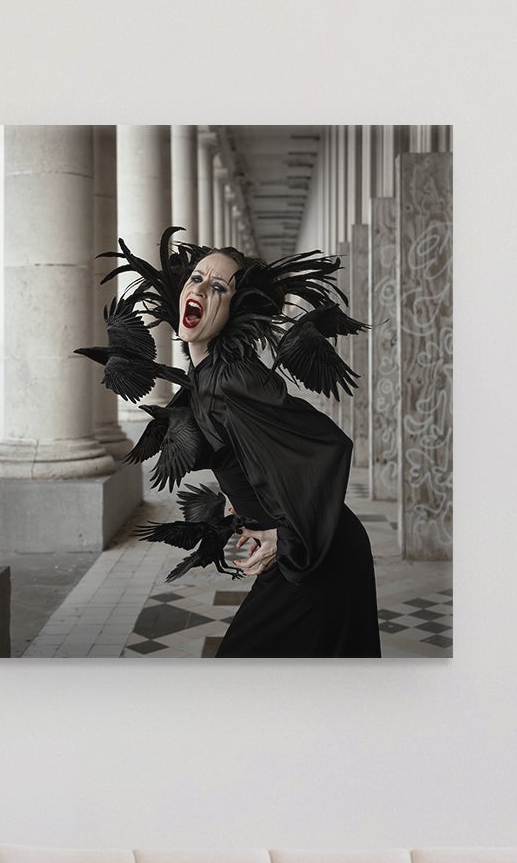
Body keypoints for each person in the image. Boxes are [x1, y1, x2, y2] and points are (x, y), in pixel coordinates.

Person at [76, 231, 381, 657]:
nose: (200, 288)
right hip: (313, 548)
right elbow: (253, 450)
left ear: (236, 309)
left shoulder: (231, 377)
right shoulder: (206, 375)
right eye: (197, 278)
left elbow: (328, 446)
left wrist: (285, 535)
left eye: (218, 287)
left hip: (319, 553)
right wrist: (245, 501)